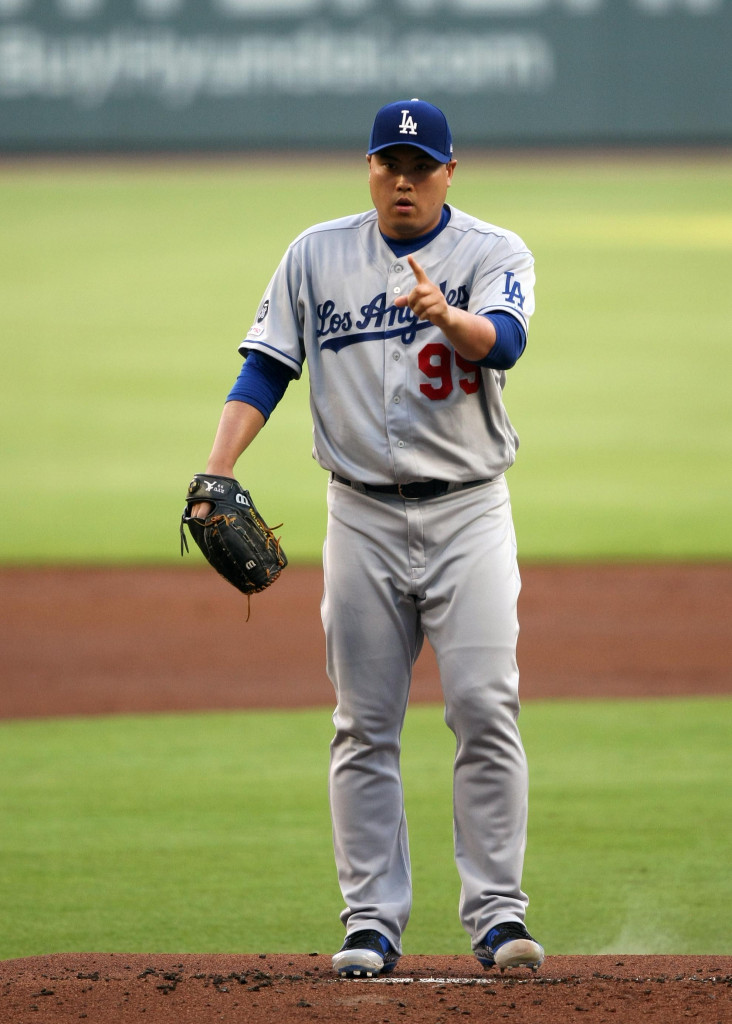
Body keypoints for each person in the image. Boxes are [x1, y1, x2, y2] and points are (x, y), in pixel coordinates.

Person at [191, 98, 544, 978]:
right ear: (370, 168)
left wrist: (446, 315)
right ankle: (371, 923)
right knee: (363, 724)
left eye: (422, 168)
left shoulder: (494, 252)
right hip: (361, 517)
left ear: (450, 174)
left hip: (468, 512)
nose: (404, 181)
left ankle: (498, 915)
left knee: (486, 707)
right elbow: (266, 367)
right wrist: (216, 468)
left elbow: (503, 342)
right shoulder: (316, 254)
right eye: (391, 164)